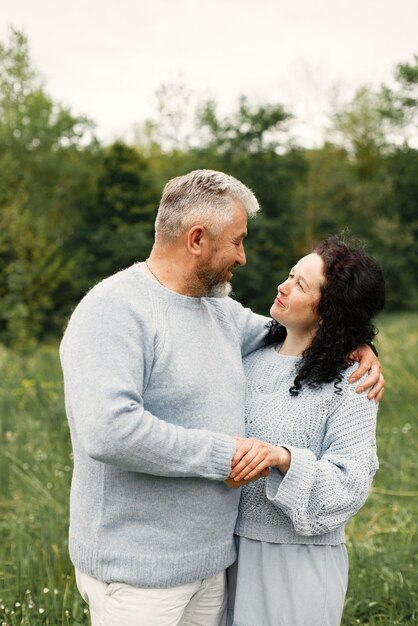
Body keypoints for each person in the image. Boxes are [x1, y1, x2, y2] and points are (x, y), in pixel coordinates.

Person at [60, 170, 383, 626]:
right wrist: (226, 454)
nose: (244, 257)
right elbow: (109, 431)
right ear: (197, 239)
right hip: (139, 575)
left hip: (214, 568)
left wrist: (357, 344)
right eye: (236, 241)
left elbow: (295, 334)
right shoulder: (113, 309)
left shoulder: (222, 314)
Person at [226, 236, 385, 626]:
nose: (283, 285)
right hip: (225, 553)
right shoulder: (249, 356)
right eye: (290, 275)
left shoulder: (352, 381)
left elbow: (351, 482)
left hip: (295, 566)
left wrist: (285, 458)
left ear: (328, 312)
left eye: (300, 285)